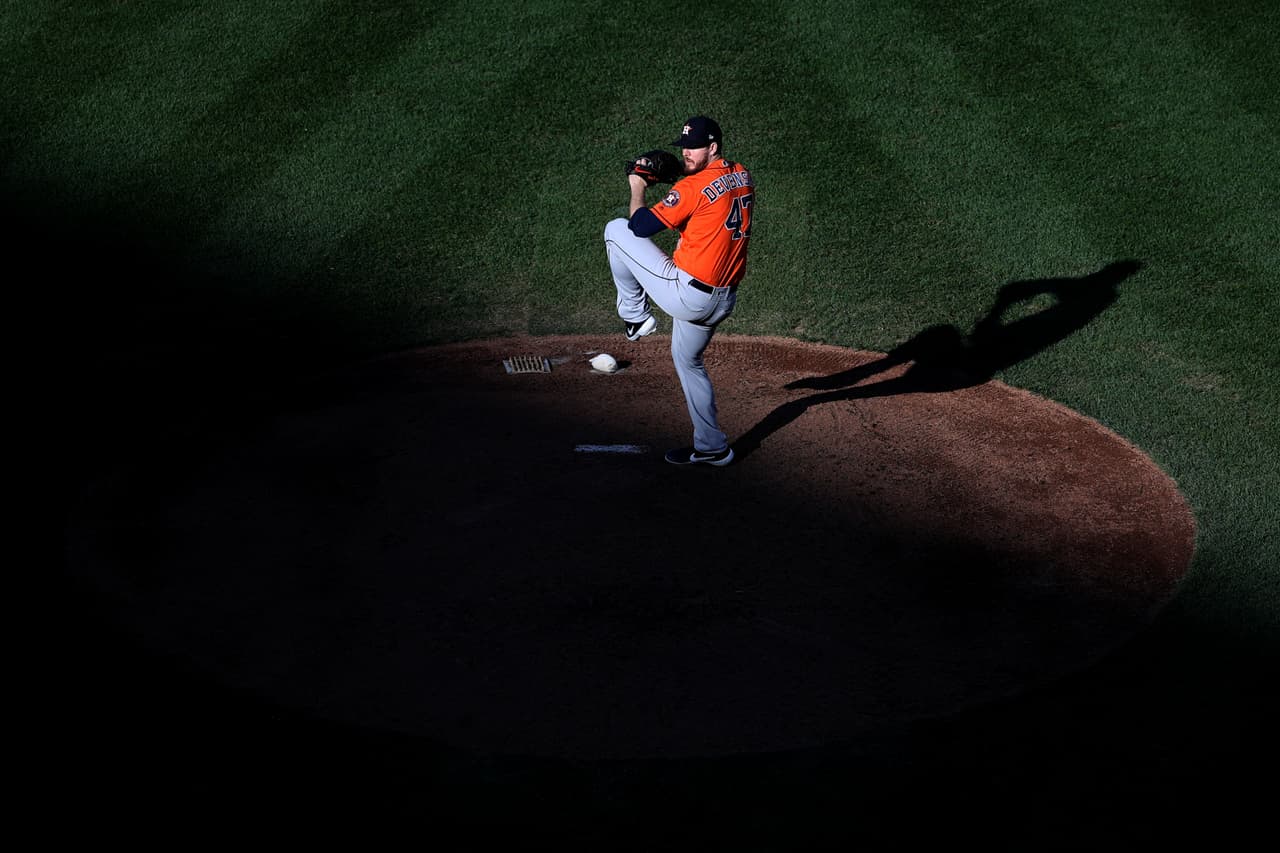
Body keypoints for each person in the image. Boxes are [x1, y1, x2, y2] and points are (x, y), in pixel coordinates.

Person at [603, 115, 756, 467]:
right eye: (684, 146)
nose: (686, 152)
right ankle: (711, 446)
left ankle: (635, 317)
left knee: (616, 230)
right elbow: (707, 200)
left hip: (688, 295)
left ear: (713, 146)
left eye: (694, 146)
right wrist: (682, 180)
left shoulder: (691, 189)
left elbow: (640, 226)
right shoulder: (743, 174)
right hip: (722, 301)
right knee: (688, 362)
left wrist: (638, 184)